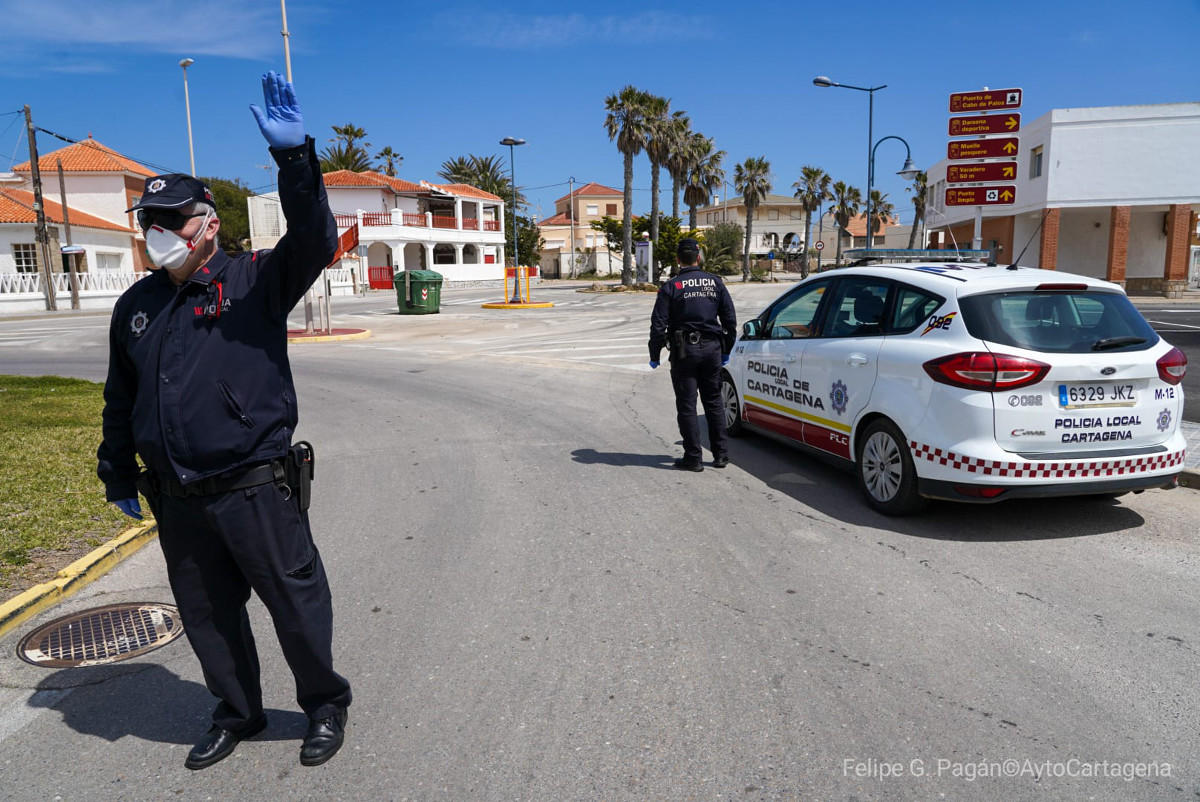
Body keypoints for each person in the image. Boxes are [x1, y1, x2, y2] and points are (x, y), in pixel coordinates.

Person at [96, 72, 351, 770]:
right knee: (208, 618)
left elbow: (315, 236)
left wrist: (295, 160)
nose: (159, 235)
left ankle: (324, 705)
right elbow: (123, 395)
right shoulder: (136, 306)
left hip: (253, 487)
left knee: (295, 608)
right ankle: (237, 711)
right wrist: (115, 465)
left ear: (208, 222)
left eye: (172, 221)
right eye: (149, 223)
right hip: (177, 495)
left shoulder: (255, 280)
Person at [648, 238, 738, 471]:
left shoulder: (671, 287)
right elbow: (729, 320)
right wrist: (726, 349)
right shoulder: (715, 283)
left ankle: (693, 458)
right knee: (714, 402)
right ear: (698, 257)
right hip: (712, 351)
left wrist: (654, 354)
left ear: (678, 259)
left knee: (687, 405)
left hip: (684, 352)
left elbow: (658, 325)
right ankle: (721, 455)